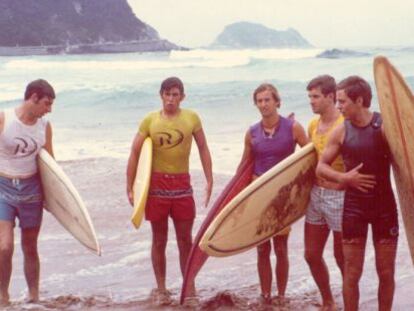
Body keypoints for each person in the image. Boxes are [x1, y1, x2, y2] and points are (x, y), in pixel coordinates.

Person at [126, 77, 213, 306]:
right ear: (161, 95)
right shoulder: (150, 121)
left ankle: (190, 286)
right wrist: (130, 185)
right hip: (157, 187)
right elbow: (135, 152)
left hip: (182, 186)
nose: (171, 99)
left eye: (175, 94)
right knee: (159, 240)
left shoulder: (191, 118)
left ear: (182, 97)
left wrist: (209, 178)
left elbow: (203, 147)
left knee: (186, 240)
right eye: (167, 94)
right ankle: (162, 287)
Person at [316, 76, 398, 311]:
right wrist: (344, 178)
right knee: (352, 272)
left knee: (386, 271)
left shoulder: (384, 126)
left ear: (359, 100)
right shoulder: (341, 130)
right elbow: (321, 167)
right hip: (354, 208)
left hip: (384, 207)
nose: (338, 106)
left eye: (342, 101)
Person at [238, 83, 308, 305]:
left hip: (283, 194)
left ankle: (281, 295)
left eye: (267, 100)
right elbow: (244, 166)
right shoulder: (251, 133)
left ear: (277, 101)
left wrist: (304, 193)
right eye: (259, 100)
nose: (263, 104)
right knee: (261, 248)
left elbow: (309, 158)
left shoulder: (294, 128)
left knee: (281, 247)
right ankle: (265, 294)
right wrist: (237, 199)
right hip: (259, 191)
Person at [0, 79, 55, 305]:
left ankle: (34, 296)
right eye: (46, 103)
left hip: (32, 190)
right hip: (3, 187)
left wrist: (54, 199)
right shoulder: (4, 119)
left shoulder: (45, 126)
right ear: (33, 98)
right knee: (4, 246)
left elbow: (51, 163)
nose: (49, 110)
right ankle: (3, 295)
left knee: (30, 246)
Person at [304, 75, 345, 310]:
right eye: (309, 97)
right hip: (316, 196)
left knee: (343, 258)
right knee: (311, 254)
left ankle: (350, 299)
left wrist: (343, 184)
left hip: (339, 197)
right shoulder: (312, 125)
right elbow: (306, 159)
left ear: (331, 96)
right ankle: (328, 299)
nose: (311, 101)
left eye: (316, 97)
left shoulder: (344, 124)